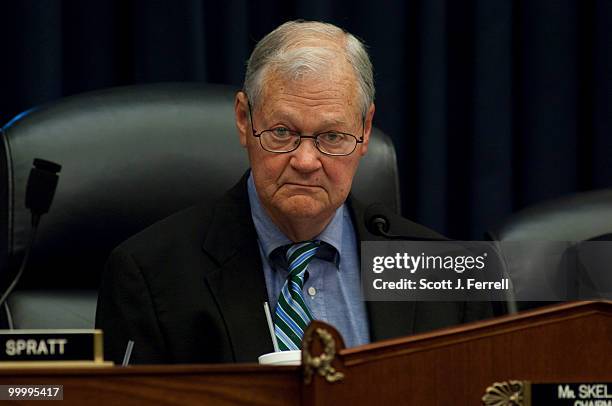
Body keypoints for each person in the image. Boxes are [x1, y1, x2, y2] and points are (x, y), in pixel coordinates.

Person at [96, 20, 491, 364]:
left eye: (332, 136)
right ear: (243, 119)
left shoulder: (440, 270)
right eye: (282, 132)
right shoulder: (151, 275)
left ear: (365, 130)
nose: (305, 160)